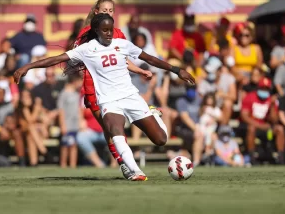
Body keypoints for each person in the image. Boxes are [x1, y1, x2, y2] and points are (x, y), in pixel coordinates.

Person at [14, 13, 195, 181]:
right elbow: (56, 59)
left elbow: (150, 59)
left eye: (111, 29)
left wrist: (177, 70)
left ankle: (153, 114)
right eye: (105, 30)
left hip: (130, 96)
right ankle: (135, 171)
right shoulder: (86, 49)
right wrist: (27, 67)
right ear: (96, 31)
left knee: (161, 140)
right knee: (115, 130)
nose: (109, 33)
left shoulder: (122, 44)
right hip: (108, 101)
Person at [73, 0, 153, 179]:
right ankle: (123, 162)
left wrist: (140, 70)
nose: (107, 13)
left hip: (115, 88)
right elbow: (77, 58)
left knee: (115, 127)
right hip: (93, 86)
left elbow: (123, 59)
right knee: (108, 128)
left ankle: (128, 165)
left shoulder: (118, 34)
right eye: (104, 10)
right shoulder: (86, 33)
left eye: (111, 10)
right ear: (96, 12)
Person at [241, 77, 285, 164]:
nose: (264, 90)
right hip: (254, 126)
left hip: (268, 128)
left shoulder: (271, 100)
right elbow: (244, 116)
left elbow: (274, 120)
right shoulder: (250, 97)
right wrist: (259, 125)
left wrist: (272, 105)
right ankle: (252, 156)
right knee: (251, 128)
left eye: (266, 89)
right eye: (262, 88)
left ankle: (281, 157)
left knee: (280, 129)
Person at [16, 90, 49, 166]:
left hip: (37, 133)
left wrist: (41, 126)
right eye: (24, 97)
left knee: (31, 134)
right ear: (21, 99)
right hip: (22, 133)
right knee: (31, 129)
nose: (27, 98)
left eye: (28, 96)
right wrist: (31, 109)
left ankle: (34, 162)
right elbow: (29, 121)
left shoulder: (36, 107)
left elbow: (46, 119)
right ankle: (43, 151)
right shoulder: (20, 109)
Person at [57, 73, 83, 168]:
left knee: (73, 145)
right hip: (67, 124)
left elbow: (79, 109)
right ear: (75, 81)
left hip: (75, 124)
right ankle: (63, 164)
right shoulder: (64, 94)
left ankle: (73, 165)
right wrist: (62, 124)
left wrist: (81, 121)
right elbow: (61, 110)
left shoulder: (77, 94)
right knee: (65, 145)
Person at [175, 85, 204, 166]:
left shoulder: (200, 100)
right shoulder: (181, 101)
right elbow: (185, 117)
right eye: (189, 88)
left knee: (212, 136)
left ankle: (208, 158)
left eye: (193, 89)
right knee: (199, 135)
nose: (191, 91)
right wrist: (196, 129)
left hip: (200, 127)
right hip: (185, 129)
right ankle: (196, 162)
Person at [199, 93, 222, 160]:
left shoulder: (216, 109)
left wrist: (213, 119)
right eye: (208, 99)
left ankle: (207, 149)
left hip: (211, 128)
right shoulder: (202, 108)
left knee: (210, 134)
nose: (209, 100)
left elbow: (220, 118)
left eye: (211, 99)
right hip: (202, 127)